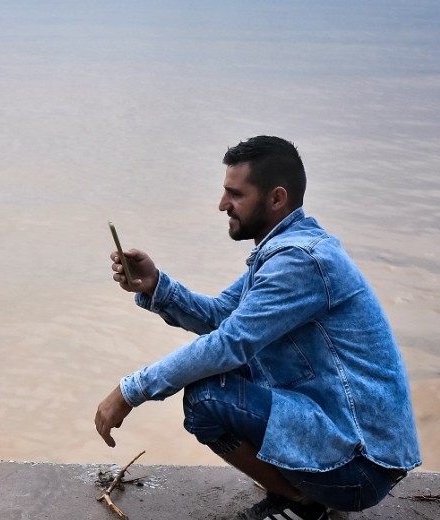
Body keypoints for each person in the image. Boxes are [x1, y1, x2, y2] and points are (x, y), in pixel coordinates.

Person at [94, 136, 420, 519]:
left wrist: (130, 391)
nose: (222, 205)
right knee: (221, 377)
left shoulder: (300, 261)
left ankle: (304, 505)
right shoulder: (283, 251)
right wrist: (156, 285)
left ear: (276, 198)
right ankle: (304, 494)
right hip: (353, 447)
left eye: (235, 194)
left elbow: (228, 344)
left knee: (207, 397)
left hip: (361, 466)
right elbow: (221, 316)